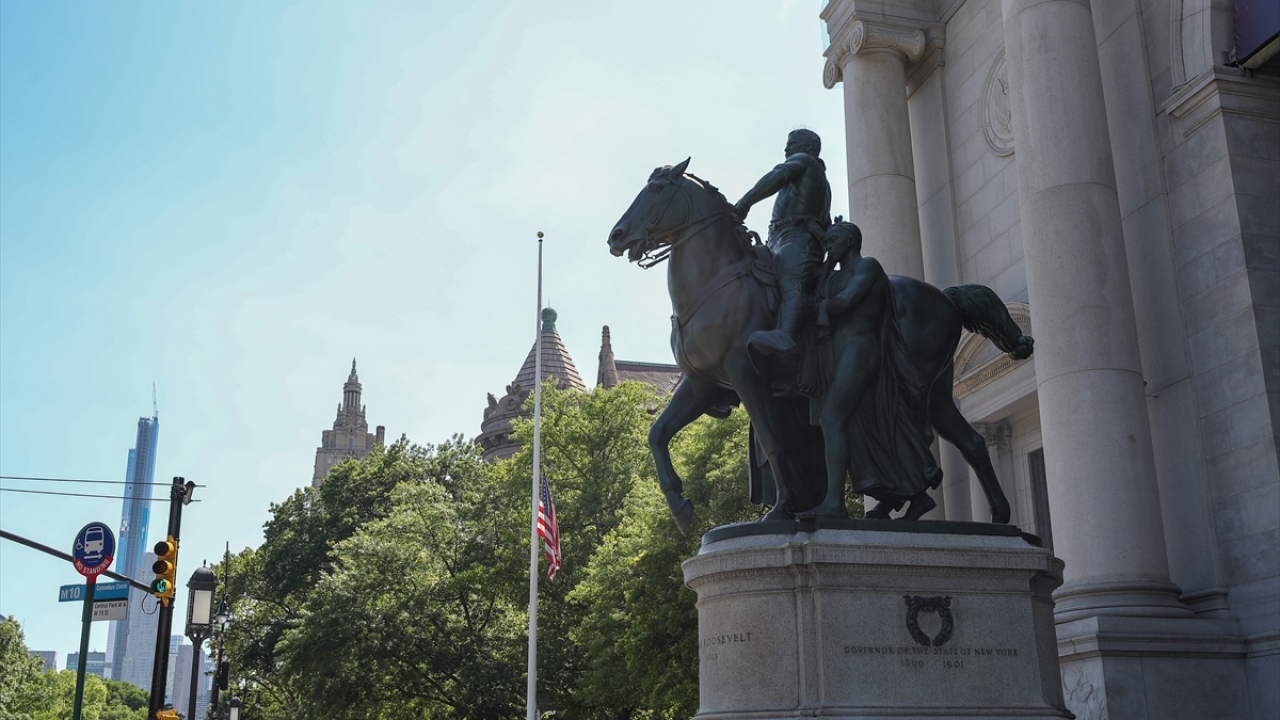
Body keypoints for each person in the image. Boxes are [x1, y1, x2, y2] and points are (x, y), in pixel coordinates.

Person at [803, 219, 941, 520]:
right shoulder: (835, 276)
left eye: (833, 241)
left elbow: (847, 302)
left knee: (831, 418)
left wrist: (822, 305)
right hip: (841, 355)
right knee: (871, 428)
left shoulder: (868, 267)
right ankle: (916, 496)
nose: (829, 246)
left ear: (851, 241)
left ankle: (835, 503)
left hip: (861, 351)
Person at [734, 129, 832, 361]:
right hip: (779, 238)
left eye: (792, 143)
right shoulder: (813, 177)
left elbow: (778, 175)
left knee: (791, 278)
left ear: (808, 148)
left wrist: (746, 201)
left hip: (798, 237)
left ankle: (785, 334)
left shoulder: (806, 162)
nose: (786, 149)